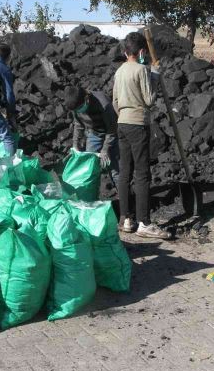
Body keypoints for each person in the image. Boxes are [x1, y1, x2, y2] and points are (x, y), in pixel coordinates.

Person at [112, 31, 169, 239]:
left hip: (122, 124)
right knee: (143, 173)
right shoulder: (141, 70)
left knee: (125, 172)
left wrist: (124, 116)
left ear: (125, 51)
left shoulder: (119, 72)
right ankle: (144, 222)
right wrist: (154, 74)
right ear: (142, 51)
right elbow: (149, 99)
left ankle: (125, 219)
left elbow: (115, 102)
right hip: (137, 124)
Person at [63, 85, 119, 182]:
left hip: (112, 133)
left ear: (86, 99)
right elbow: (78, 124)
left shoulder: (103, 103)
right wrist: (75, 145)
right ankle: (93, 193)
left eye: (80, 108)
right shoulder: (75, 105)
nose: (79, 111)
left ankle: (124, 195)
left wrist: (105, 149)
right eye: (76, 110)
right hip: (94, 133)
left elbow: (112, 129)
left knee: (115, 169)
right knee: (90, 166)